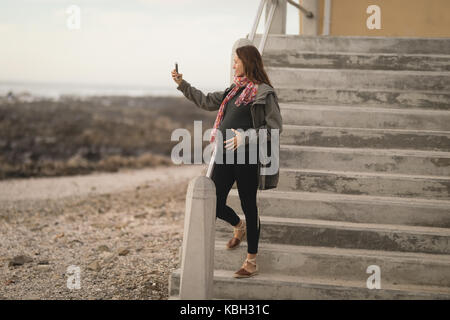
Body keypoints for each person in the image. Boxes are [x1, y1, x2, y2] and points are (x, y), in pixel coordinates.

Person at [171, 45, 282, 278]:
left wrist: (246, 136)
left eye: (236, 60)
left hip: (247, 157)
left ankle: (251, 261)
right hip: (223, 154)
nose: (233, 64)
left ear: (247, 62)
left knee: (249, 206)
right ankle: (237, 226)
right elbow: (205, 101)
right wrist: (183, 85)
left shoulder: (264, 93)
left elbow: (274, 128)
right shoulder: (233, 90)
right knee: (214, 202)